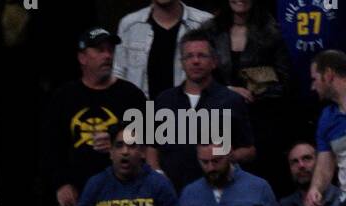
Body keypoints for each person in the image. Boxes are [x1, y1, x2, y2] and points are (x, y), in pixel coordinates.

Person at [45, 29, 147, 206]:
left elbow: (148, 145)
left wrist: (117, 143)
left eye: (110, 50)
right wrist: (61, 184)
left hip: (125, 194)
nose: (107, 56)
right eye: (100, 50)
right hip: (78, 194)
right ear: (82, 58)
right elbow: (52, 147)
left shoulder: (132, 96)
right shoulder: (64, 98)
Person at [148, 31, 256, 192]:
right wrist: (158, 175)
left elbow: (250, 150)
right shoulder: (163, 100)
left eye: (202, 56)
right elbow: (151, 147)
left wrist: (225, 157)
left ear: (214, 62)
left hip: (219, 191)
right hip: (171, 192)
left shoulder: (231, 100)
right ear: (182, 63)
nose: (195, 61)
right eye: (189, 56)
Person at [204, 0, 292, 188]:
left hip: (260, 124)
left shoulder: (271, 31)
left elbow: (285, 83)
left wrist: (257, 89)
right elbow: (198, 77)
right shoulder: (209, 30)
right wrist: (227, 91)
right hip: (217, 121)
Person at [115, 2, 215, 98]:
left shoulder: (205, 23)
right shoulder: (130, 24)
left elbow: (219, 72)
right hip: (140, 112)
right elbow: (118, 73)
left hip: (192, 112)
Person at [305, 50, 346, 206]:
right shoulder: (327, 118)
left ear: (328, 74)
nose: (312, 86)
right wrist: (315, 188)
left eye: (315, 79)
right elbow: (325, 164)